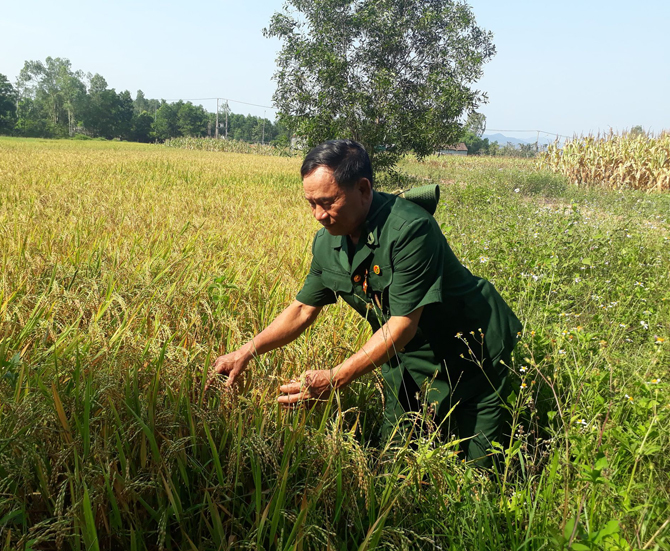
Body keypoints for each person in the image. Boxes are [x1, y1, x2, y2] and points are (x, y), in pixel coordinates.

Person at [211, 139, 522, 466]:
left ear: (363, 189)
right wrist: (247, 351)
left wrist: (335, 377)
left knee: (478, 471)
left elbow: (402, 323)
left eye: (328, 202)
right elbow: (303, 309)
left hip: (475, 356)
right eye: (311, 203)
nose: (318, 215)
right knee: (396, 464)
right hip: (409, 362)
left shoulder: (409, 229)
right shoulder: (328, 243)